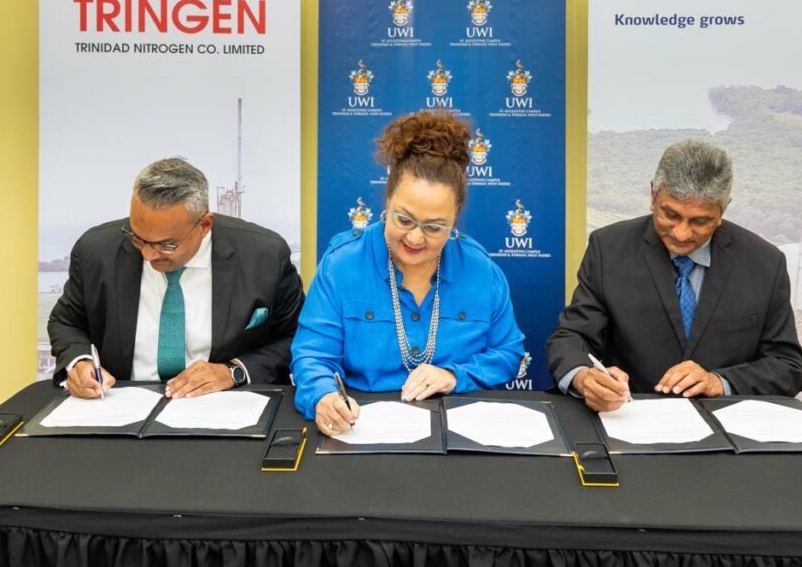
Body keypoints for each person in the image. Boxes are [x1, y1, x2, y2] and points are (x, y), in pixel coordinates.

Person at [291, 111, 525, 434]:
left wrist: (455, 375)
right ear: (387, 201)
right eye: (403, 220)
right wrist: (324, 397)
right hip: (361, 430)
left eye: (434, 227)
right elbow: (312, 356)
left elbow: (509, 352)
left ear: (454, 222)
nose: (415, 238)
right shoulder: (341, 267)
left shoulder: (482, 273)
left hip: (455, 435)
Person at [547, 139, 802, 412]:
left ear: (723, 209)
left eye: (700, 221)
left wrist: (719, 381)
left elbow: (787, 367)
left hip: (724, 435)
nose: (681, 234)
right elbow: (571, 338)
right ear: (652, 195)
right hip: (628, 421)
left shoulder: (764, 263)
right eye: (670, 214)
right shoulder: (608, 249)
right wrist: (584, 377)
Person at [49, 157, 304, 399]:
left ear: (204, 225)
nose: (148, 255)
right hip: (120, 404)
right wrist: (79, 361)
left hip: (225, 404)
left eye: (166, 245)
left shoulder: (263, 257)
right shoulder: (97, 251)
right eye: (138, 238)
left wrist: (233, 371)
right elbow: (66, 322)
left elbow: (298, 337)